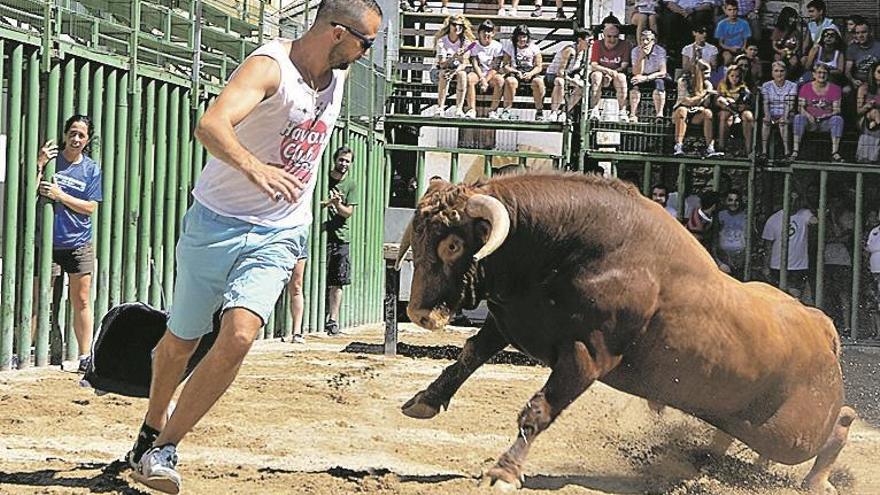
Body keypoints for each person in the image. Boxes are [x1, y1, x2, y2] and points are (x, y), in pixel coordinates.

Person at [126, 1, 382, 493]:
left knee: (240, 335)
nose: (366, 54)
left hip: (281, 230)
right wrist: (253, 166)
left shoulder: (339, 72)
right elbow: (211, 124)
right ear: (335, 33)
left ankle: (163, 448)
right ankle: (151, 426)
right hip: (216, 222)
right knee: (181, 343)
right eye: (364, 42)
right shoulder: (269, 68)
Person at [35, 115, 102, 372]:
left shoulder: (91, 169)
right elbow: (29, 188)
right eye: (72, 133)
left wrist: (61, 196)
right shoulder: (53, 161)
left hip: (78, 242)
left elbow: (90, 208)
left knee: (82, 300)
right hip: (47, 241)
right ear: (65, 135)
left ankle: (85, 355)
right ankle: (32, 354)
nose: (76, 139)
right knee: (39, 298)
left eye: (81, 135)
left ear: (87, 140)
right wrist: (39, 164)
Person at [323, 146, 358, 336]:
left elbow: (349, 213)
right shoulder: (322, 179)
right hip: (320, 236)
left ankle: (332, 320)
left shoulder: (351, 185)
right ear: (334, 160)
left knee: (337, 281)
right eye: (341, 160)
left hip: (340, 237)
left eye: (347, 161)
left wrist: (337, 205)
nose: (343, 164)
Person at [762, 191, 818, 300]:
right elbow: (767, 245)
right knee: (779, 297)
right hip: (777, 265)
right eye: (790, 199)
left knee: (795, 297)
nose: (793, 203)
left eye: (796, 200)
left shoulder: (804, 214)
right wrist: (766, 266)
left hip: (798, 266)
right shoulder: (774, 219)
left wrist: (810, 208)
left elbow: (815, 221)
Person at [791, 63, 844, 162]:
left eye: (824, 73)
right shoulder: (805, 87)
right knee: (798, 118)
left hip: (826, 122)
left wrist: (827, 115)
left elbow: (837, 109)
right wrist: (808, 115)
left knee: (838, 119)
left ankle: (835, 153)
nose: (822, 75)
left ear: (828, 75)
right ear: (814, 74)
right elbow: (800, 107)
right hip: (810, 121)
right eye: (819, 72)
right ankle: (795, 151)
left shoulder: (835, 89)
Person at [671, 60, 720, 157]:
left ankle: (710, 148)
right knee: (683, 111)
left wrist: (703, 104)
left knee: (708, 113)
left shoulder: (707, 84)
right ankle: (678, 146)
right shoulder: (683, 81)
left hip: (696, 114)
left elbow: (706, 104)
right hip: (680, 112)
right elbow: (686, 101)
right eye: (706, 73)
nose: (709, 76)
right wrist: (704, 94)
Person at [431, 15, 476, 118]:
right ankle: (440, 108)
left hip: (456, 71)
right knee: (444, 74)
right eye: (454, 24)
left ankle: (459, 109)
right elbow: (442, 64)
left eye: (460, 25)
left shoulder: (466, 42)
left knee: (463, 75)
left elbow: (464, 63)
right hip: (439, 70)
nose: (457, 27)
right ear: (449, 26)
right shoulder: (442, 41)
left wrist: (454, 72)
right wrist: (454, 57)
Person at [823, 193, 854, 334]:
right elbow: (824, 237)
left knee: (843, 294)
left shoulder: (848, 215)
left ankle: (847, 326)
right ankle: (831, 325)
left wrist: (835, 218)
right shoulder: (825, 217)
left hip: (842, 261)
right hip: (828, 260)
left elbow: (847, 236)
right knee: (829, 294)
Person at [500, 24, 546, 121]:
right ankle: (506, 110)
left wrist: (531, 73)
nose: (522, 39)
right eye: (520, 37)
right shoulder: (510, 47)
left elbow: (539, 66)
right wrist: (516, 72)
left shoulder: (534, 48)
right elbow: (505, 66)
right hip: (515, 72)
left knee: (539, 82)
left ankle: (539, 111)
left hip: (530, 72)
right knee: (510, 81)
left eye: (524, 37)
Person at [589, 18, 630, 121]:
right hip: (601, 72)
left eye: (615, 36)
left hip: (617, 73)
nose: (612, 39)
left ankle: (622, 111)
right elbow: (593, 64)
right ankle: (594, 109)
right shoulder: (597, 44)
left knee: (621, 78)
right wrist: (607, 72)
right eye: (609, 36)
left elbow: (624, 65)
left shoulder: (625, 45)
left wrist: (612, 74)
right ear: (604, 35)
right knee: (596, 76)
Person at [547, 28, 589, 122]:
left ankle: (564, 112)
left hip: (568, 76)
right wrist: (572, 80)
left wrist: (576, 78)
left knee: (582, 87)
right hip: (553, 76)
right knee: (560, 82)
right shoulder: (569, 50)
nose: (591, 43)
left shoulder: (583, 53)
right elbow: (560, 72)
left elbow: (578, 70)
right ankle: (554, 112)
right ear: (580, 40)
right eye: (588, 40)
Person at [629, 29, 669, 123]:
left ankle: (659, 115)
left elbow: (663, 71)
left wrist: (647, 78)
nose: (645, 42)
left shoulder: (660, 51)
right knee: (634, 85)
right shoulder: (635, 51)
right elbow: (636, 72)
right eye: (642, 39)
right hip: (641, 75)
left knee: (660, 85)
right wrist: (641, 56)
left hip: (655, 75)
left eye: (647, 39)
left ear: (653, 41)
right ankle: (633, 114)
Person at [760, 61, 797, 159]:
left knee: (783, 123)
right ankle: (764, 152)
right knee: (765, 122)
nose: (779, 73)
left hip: (787, 112)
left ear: (786, 72)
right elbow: (765, 102)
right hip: (771, 112)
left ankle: (786, 152)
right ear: (772, 73)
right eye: (776, 71)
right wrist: (767, 115)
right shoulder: (766, 85)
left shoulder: (792, 85)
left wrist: (784, 116)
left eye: (782, 71)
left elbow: (790, 102)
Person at [468, 20, 505, 119]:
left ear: (493, 33)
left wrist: (486, 80)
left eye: (489, 31)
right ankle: (471, 109)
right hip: (477, 73)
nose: (486, 34)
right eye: (483, 31)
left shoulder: (498, 46)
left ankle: (493, 110)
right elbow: (474, 63)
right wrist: (482, 79)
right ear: (479, 33)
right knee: (469, 79)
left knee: (500, 80)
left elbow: (495, 67)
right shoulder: (473, 45)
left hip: (491, 75)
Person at [715, 64, 754, 156]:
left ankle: (749, 150)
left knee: (748, 116)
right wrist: (725, 102)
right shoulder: (722, 84)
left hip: (740, 109)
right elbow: (717, 100)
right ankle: (721, 147)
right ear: (728, 76)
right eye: (732, 76)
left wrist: (744, 106)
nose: (734, 78)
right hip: (726, 109)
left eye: (737, 76)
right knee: (725, 115)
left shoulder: (743, 87)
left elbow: (748, 101)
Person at [714, 189, 747, 279]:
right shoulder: (720, 215)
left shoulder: (746, 216)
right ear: (725, 201)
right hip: (723, 257)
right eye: (730, 200)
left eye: (736, 200)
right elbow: (714, 236)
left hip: (741, 258)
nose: (733, 203)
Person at [845, 19, 880, 90]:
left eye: (864, 32)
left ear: (870, 32)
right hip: (858, 82)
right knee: (846, 90)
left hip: (875, 81)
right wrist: (853, 81)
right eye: (858, 33)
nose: (860, 35)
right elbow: (847, 71)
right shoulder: (852, 48)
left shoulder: (878, 47)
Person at [856, 61, 880, 163]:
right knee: (874, 112)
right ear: (873, 73)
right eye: (879, 72)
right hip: (865, 118)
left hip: (875, 122)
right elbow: (859, 111)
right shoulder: (864, 88)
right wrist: (868, 106)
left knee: (874, 122)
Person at [715, 0, 751, 66]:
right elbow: (720, 43)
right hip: (727, 49)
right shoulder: (721, 24)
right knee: (728, 58)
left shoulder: (744, 23)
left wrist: (742, 48)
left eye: (735, 9)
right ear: (725, 11)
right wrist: (730, 48)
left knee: (745, 60)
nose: (733, 12)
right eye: (730, 10)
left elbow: (745, 41)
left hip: (740, 49)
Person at [770, 7, 804, 80]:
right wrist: (780, 51)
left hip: (792, 52)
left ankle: (788, 77)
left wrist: (792, 52)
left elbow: (798, 45)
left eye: (794, 18)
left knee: (794, 62)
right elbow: (774, 45)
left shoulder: (796, 32)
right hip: (779, 52)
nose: (793, 20)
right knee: (778, 61)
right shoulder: (778, 30)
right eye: (791, 17)